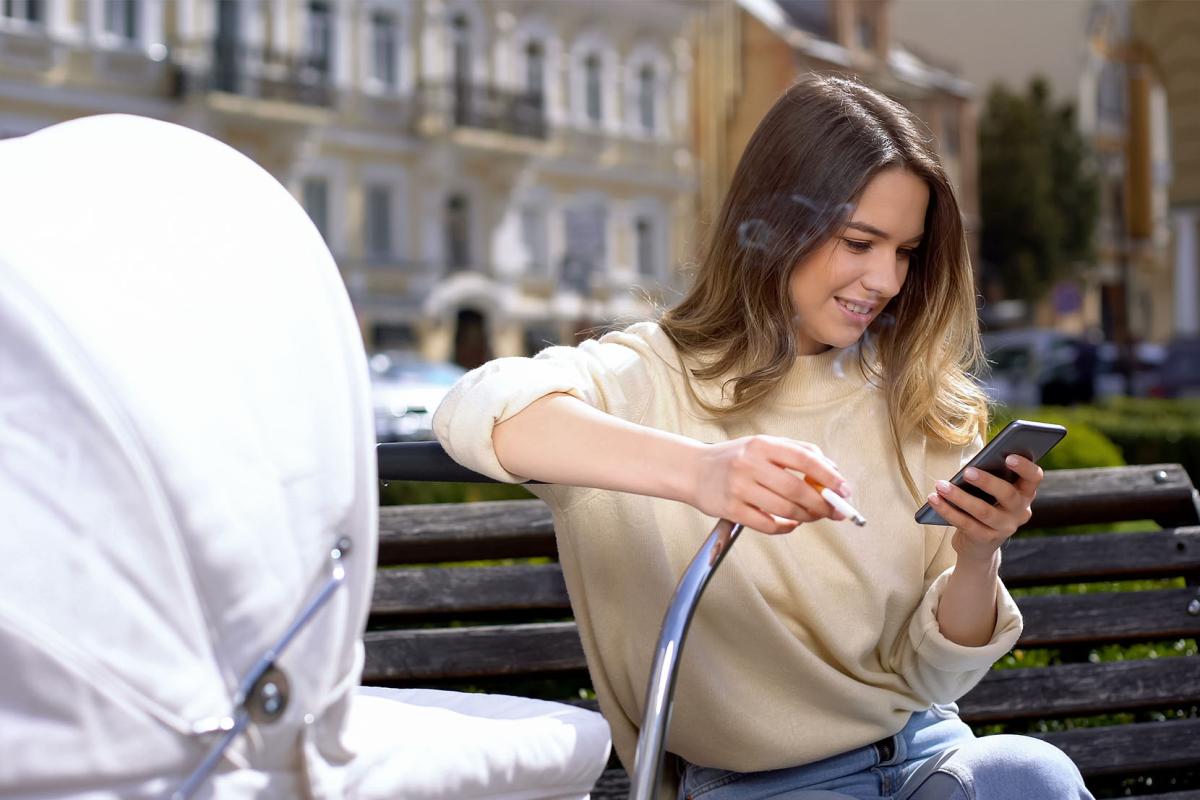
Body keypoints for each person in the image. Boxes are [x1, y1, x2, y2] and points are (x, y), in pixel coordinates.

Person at [433, 73, 1092, 800]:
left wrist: (977, 556)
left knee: (1035, 775)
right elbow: (476, 408)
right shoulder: (650, 378)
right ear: (775, 224)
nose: (885, 279)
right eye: (859, 242)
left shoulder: (921, 402)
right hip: (759, 786)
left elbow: (935, 678)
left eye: (904, 251)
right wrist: (699, 471)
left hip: (926, 759)